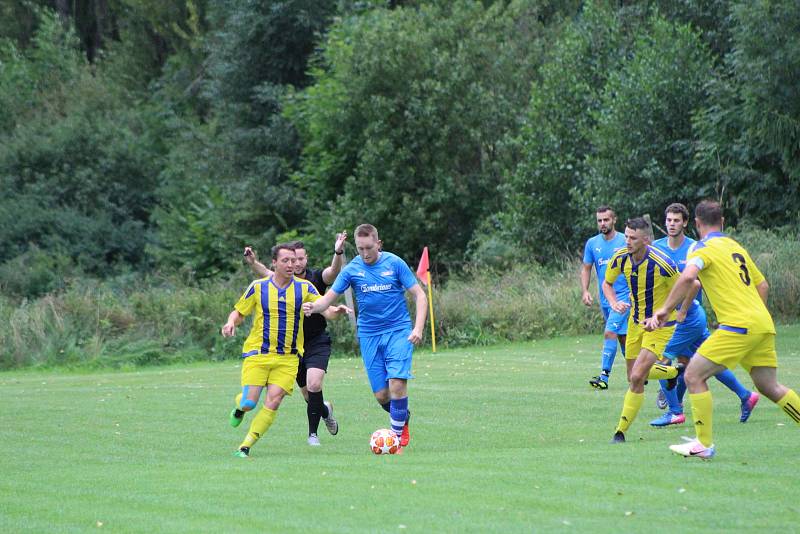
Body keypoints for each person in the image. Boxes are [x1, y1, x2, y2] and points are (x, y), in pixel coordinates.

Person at [645, 200, 800, 459]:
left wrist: (664, 310)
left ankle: (703, 444)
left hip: (739, 325)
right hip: (761, 324)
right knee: (769, 386)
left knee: (693, 375)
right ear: (723, 222)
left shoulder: (700, 247)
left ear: (695, 223)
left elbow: (687, 277)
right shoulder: (735, 246)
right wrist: (754, 316)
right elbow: (763, 286)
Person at [303, 224, 427, 450]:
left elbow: (419, 295)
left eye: (369, 248)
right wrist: (314, 306)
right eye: (360, 249)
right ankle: (402, 416)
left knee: (397, 384)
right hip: (369, 335)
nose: (365, 253)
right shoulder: (352, 269)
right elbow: (328, 297)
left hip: (399, 331)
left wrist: (417, 329)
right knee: (382, 395)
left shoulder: (394, 263)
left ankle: (396, 440)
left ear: (378, 244)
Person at [222, 243, 349, 458]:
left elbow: (326, 310)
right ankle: (239, 407)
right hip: (258, 354)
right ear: (274, 263)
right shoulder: (258, 287)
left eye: (294, 260)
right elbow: (239, 311)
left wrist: (337, 311)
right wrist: (230, 323)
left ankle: (245, 446)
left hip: (288, 358)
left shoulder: (304, 287)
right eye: (286, 261)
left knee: (273, 401)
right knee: (249, 402)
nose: (291, 265)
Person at [649, 203, 759, 427]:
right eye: (668, 220)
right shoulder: (656, 248)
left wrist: (679, 311)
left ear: (687, 223)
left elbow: (695, 284)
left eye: (676, 220)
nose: (671, 224)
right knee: (702, 362)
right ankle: (745, 396)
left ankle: (674, 410)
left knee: (659, 358)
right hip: (685, 320)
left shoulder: (694, 247)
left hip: (686, 319)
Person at [602, 217, 684, 444]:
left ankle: (620, 432)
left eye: (633, 238)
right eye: (626, 236)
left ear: (646, 240)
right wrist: (613, 303)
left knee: (637, 376)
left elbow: (689, 284)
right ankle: (671, 373)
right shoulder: (620, 257)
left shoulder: (663, 262)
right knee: (633, 376)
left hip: (660, 327)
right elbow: (606, 284)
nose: (627, 241)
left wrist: (667, 313)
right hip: (635, 323)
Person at [581, 206, 630, 389]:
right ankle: (637, 373)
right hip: (606, 301)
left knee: (610, 332)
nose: (603, 223)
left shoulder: (625, 241)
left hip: (625, 298)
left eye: (606, 220)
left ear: (614, 220)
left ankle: (604, 377)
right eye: (600, 220)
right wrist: (585, 291)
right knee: (623, 337)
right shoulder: (593, 243)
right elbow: (586, 267)